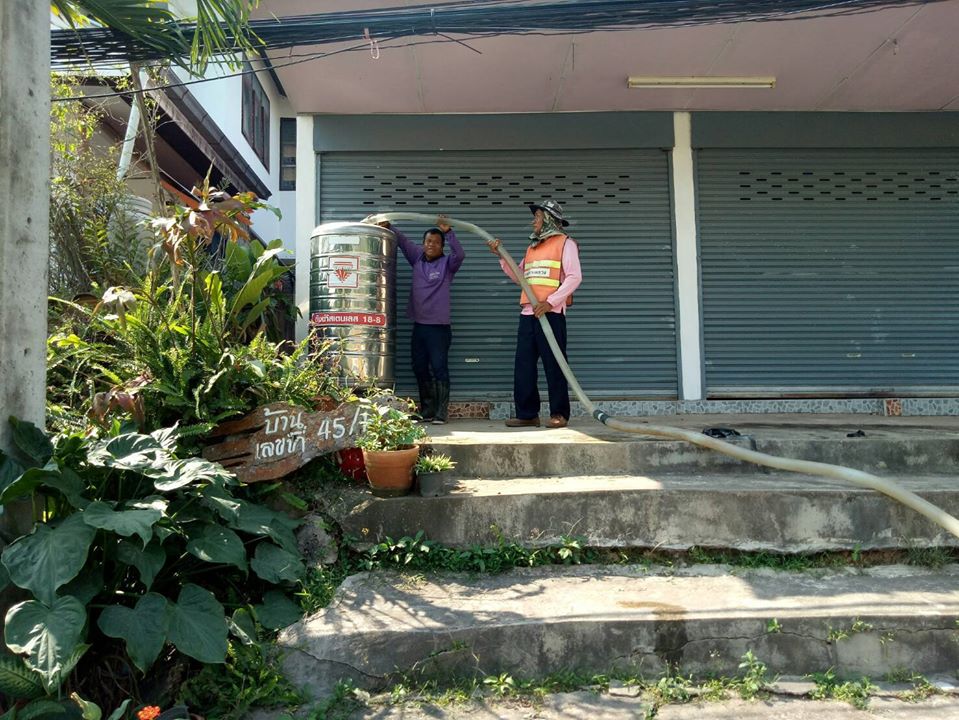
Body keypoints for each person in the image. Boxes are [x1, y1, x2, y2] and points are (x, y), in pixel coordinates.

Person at [487, 200, 582, 429]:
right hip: (528, 314)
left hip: (551, 314)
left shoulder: (566, 243)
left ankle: (559, 413)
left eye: (537, 217)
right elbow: (520, 276)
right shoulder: (533, 247)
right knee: (524, 365)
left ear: (548, 219)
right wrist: (502, 256)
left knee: (554, 365)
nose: (533, 222)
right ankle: (527, 414)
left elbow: (574, 277)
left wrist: (550, 303)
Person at [377, 215, 465, 424]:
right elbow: (403, 241)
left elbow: (460, 254)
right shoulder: (417, 258)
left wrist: (448, 232)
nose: (431, 245)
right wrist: (390, 227)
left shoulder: (447, 264)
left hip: (439, 329)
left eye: (436, 242)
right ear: (423, 244)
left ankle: (441, 412)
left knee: (439, 368)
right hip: (420, 326)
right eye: (428, 241)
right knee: (419, 367)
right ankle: (428, 410)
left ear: (442, 246)